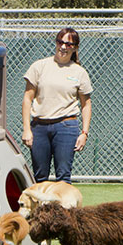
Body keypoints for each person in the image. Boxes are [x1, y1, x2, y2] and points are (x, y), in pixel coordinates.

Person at [21, 27, 93, 183]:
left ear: (75, 48)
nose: (63, 47)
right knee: (40, 177)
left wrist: (84, 133)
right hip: (39, 127)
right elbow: (27, 98)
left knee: (63, 177)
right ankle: (41, 208)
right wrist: (27, 129)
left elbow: (86, 104)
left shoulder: (79, 72)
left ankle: (64, 208)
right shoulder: (39, 66)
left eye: (69, 44)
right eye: (60, 42)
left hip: (66, 128)